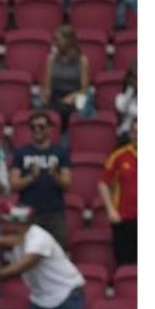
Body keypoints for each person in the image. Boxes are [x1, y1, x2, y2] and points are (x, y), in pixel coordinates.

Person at [0, 206, 87, 309]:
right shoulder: (18, 238)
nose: (4, 225)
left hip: (65, 293)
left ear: (18, 224)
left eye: (8, 222)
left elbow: (27, 263)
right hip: (40, 298)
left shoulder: (38, 237)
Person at [11, 112, 72, 246]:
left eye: (41, 126)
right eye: (33, 127)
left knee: (58, 251)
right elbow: (14, 185)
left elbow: (67, 184)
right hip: (27, 213)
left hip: (54, 213)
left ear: (49, 129)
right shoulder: (21, 153)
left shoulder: (60, 153)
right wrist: (31, 177)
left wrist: (55, 176)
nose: (37, 130)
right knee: (28, 250)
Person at [98, 121, 137, 266]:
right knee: (125, 266)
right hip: (124, 219)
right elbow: (103, 183)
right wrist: (110, 210)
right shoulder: (118, 156)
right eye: (135, 131)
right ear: (130, 134)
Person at [41, 25, 90, 132]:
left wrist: (73, 96)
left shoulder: (82, 61)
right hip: (55, 98)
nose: (55, 43)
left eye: (58, 40)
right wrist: (45, 100)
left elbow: (84, 89)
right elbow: (47, 86)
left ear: (69, 41)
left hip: (72, 99)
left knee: (66, 110)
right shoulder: (51, 59)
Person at [114, 64, 137, 140]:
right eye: (134, 78)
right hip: (126, 134)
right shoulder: (120, 98)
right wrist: (131, 89)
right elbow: (122, 107)